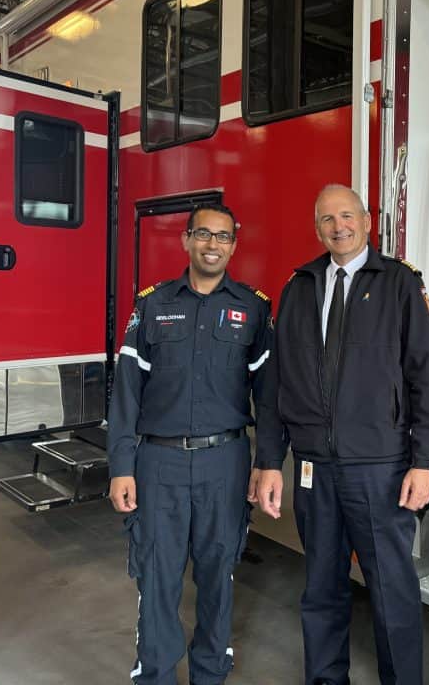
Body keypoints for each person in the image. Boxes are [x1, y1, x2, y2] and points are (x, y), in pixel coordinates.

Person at [254, 184, 429, 685]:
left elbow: (426, 376)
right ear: (316, 228)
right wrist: (270, 460)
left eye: (346, 216)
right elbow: (278, 383)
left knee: (391, 591)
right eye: (326, 220)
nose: (338, 227)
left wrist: (424, 461)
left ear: (367, 219)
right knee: (321, 588)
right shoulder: (298, 288)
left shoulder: (400, 284)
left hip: (379, 469)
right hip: (315, 468)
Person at [107, 203, 272, 685]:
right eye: (203, 234)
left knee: (217, 574)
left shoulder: (253, 308)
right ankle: (155, 674)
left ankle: (209, 674)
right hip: (159, 462)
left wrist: (266, 463)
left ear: (233, 245)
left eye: (222, 237)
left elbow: (269, 396)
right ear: (186, 239)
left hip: (226, 461)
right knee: (156, 576)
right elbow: (127, 391)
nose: (212, 244)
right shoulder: (153, 305)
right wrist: (121, 464)